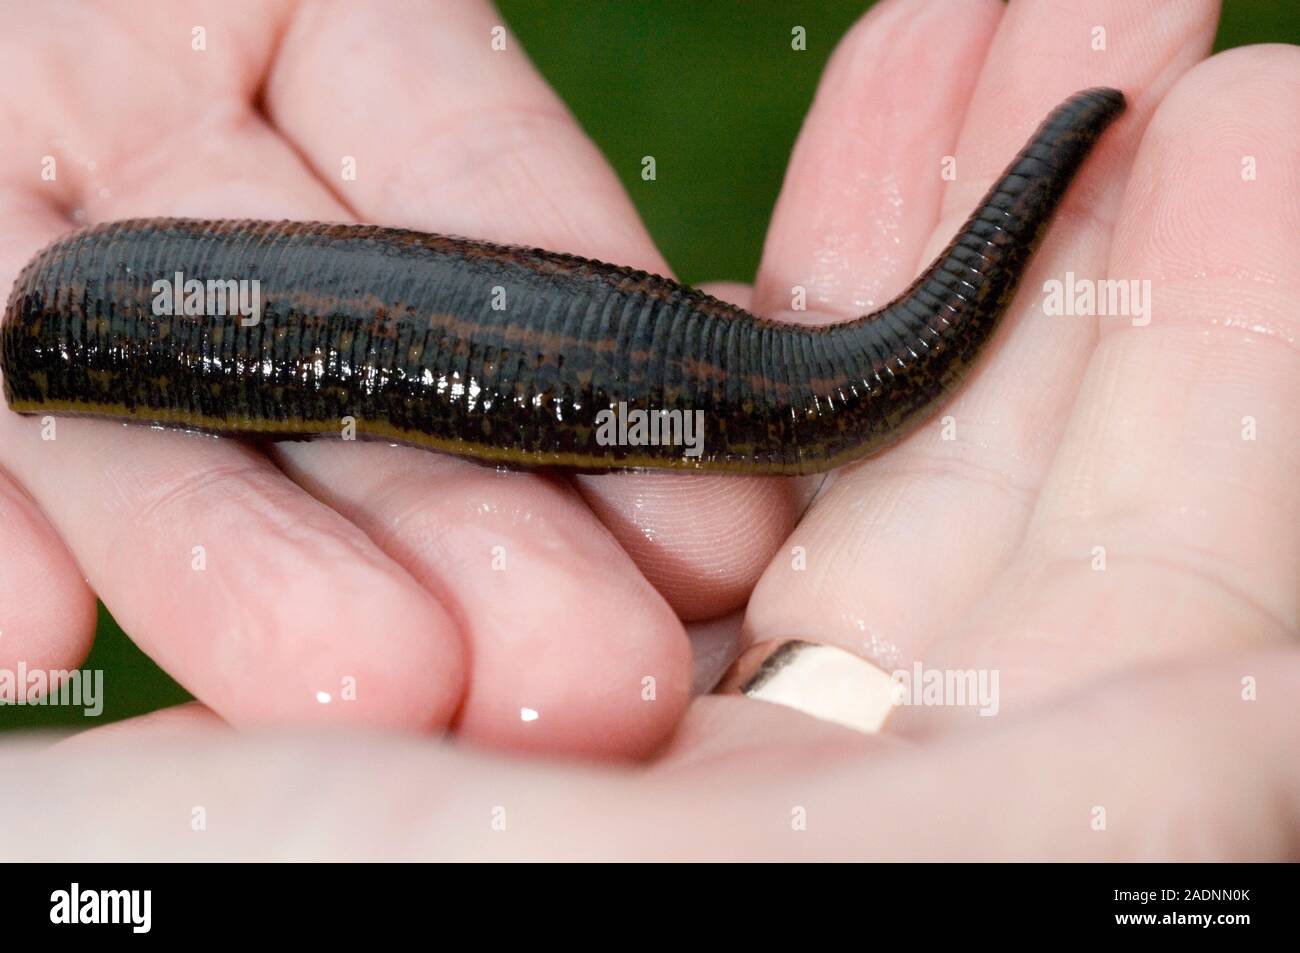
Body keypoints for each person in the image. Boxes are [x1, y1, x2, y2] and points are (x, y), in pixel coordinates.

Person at [0, 0, 1295, 860]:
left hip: (124, 304)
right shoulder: (80, 302)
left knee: (792, 378)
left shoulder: (81, 295)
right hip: (110, 307)